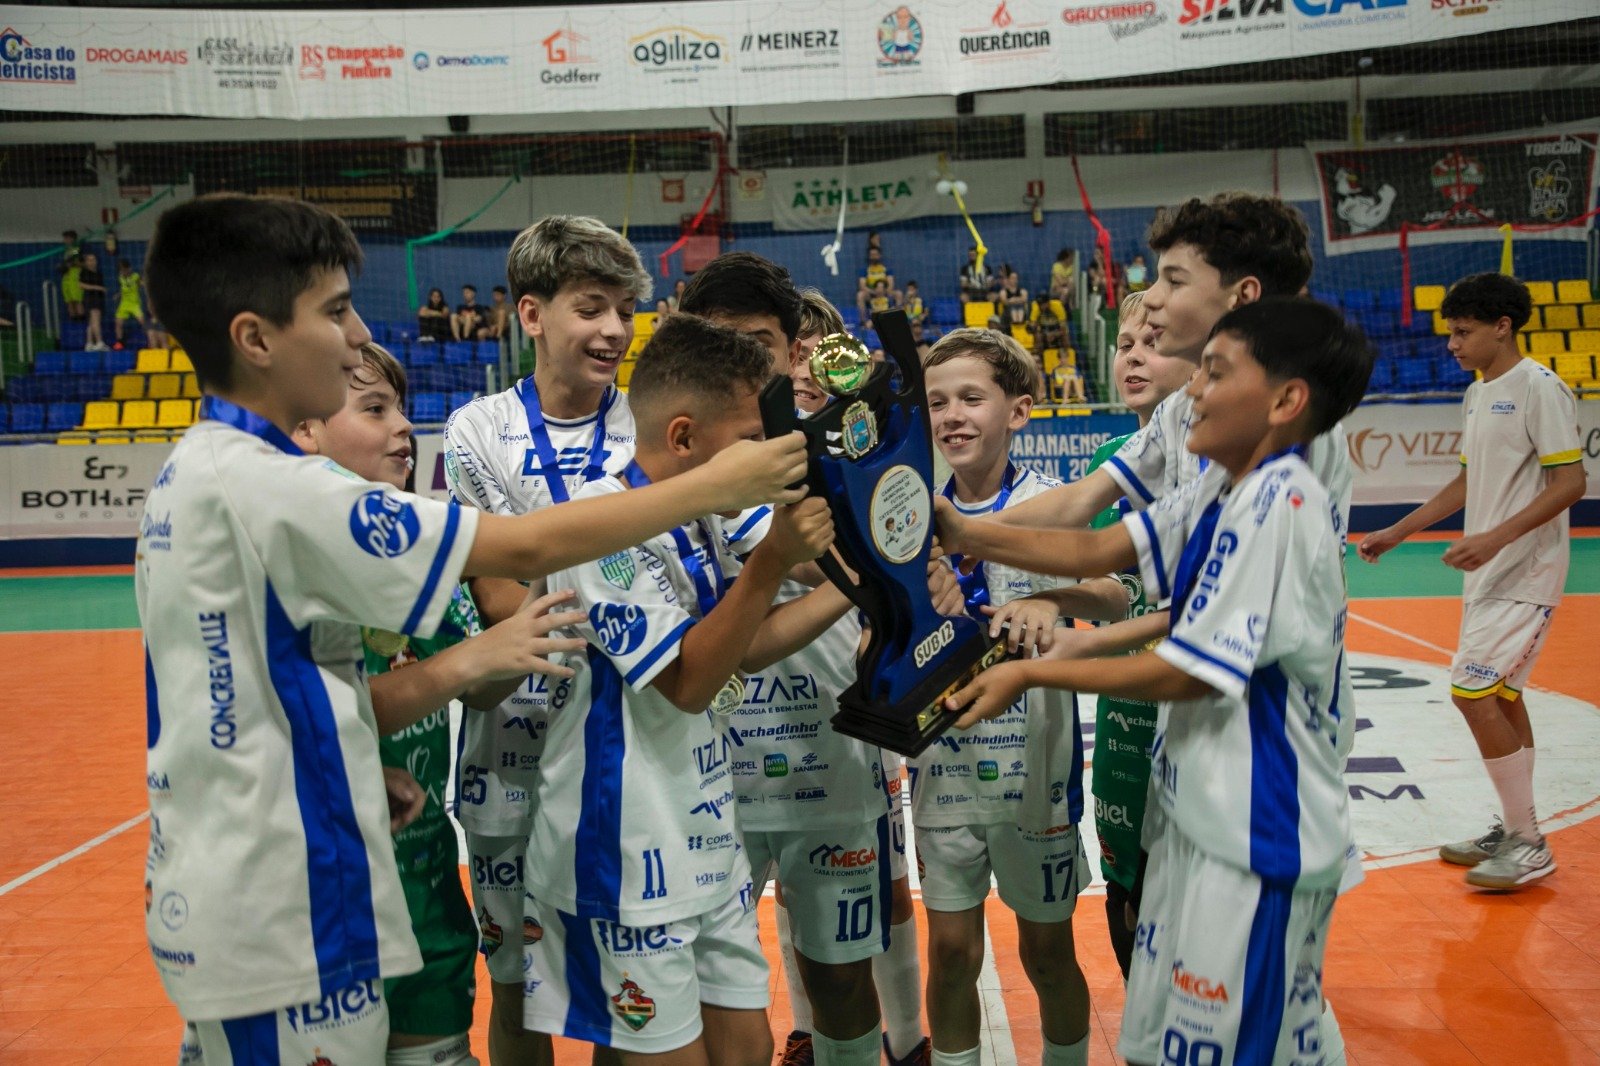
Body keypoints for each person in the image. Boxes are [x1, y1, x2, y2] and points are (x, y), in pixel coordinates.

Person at [136, 193, 809, 1066]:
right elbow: (521, 545)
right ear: (256, 338)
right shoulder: (272, 487)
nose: (352, 337)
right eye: (335, 311)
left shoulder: (203, 475)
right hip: (282, 902)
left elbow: (254, 679)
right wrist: (719, 483)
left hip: (281, 867)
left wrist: (341, 760)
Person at [937, 297, 1373, 1066]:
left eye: (1212, 371)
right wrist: (953, 527)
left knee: (1250, 1042)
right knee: (1173, 1040)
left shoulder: (1282, 500)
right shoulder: (1220, 489)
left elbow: (1193, 671)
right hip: (1197, 817)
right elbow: (1099, 547)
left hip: (1259, 833)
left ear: (1285, 400)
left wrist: (1042, 664)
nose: (1191, 393)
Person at [521, 313, 837, 1065]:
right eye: (752, 443)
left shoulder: (703, 516)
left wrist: (862, 588)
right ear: (686, 437)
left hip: (703, 838)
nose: (769, 461)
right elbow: (691, 683)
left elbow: (743, 646)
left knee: (747, 1050)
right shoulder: (598, 530)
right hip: (626, 852)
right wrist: (770, 566)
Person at [289, 340, 587, 1066]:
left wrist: (522, 633)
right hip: (316, 902)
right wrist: (471, 659)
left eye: (401, 409)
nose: (403, 429)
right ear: (306, 430)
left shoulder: (417, 554)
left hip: (423, 890)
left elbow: (481, 682)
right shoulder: (288, 554)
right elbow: (319, 710)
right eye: (374, 409)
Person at [684, 261, 941, 1066]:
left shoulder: (845, 431)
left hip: (828, 756)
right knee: (706, 989)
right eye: (720, 343)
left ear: (794, 347)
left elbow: (898, 553)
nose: (742, 363)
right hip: (701, 769)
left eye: (757, 343)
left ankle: (900, 1046)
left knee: (838, 980)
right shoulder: (667, 450)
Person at [443, 214, 654, 1065]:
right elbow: (501, 603)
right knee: (516, 985)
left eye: (625, 310)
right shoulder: (476, 432)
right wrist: (616, 541)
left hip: (625, 751)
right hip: (509, 759)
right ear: (531, 315)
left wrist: (546, 544)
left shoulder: (651, 425)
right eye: (591, 308)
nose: (613, 330)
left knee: (620, 986)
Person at [917, 327, 1109, 1066]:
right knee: (953, 953)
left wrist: (1053, 601)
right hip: (945, 767)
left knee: (1048, 953)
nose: (953, 415)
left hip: (1038, 776)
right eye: (937, 402)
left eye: (971, 397)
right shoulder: (916, 515)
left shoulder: (1052, 505)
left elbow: (1115, 598)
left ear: (1019, 411)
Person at [1359, 272, 1585, 890]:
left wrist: (1493, 538)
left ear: (1502, 327)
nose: (1452, 345)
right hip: (1493, 573)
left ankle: (1530, 843)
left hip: (1526, 571)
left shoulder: (1540, 388)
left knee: (1472, 694)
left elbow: (1571, 485)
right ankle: (1516, 826)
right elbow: (1465, 484)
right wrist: (1399, 530)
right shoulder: (1479, 393)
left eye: (1462, 333)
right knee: (1504, 699)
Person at [1081, 291, 1195, 977]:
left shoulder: (1232, 457)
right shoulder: (1112, 456)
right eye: (1124, 346)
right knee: (1127, 889)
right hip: (1128, 703)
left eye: (1152, 344)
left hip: (1199, 703)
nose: (1133, 358)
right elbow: (1107, 592)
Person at [113, 258, 147, 349]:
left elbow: (141, 284)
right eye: (121, 270)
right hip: (124, 303)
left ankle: (149, 339)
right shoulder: (120, 278)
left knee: (142, 321)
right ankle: (119, 342)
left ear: (129, 268)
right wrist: (118, 295)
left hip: (134, 303)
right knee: (118, 323)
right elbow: (123, 288)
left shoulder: (135, 276)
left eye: (125, 269)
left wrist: (144, 283)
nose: (123, 272)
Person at [79, 250, 107, 349]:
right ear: (86, 262)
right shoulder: (85, 272)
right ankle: (99, 342)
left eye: (93, 259)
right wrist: (97, 288)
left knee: (91, 322)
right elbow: (81, 285)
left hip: (98, 298)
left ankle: (89, 343)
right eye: (89, 260)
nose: (92, 262)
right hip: (91, 298)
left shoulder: (98, 273)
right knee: (96, 321)